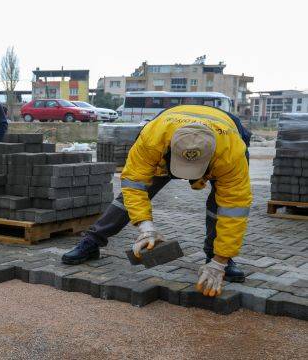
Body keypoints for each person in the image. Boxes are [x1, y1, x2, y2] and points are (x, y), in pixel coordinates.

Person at [62, 104, 252, 297]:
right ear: (168, 150)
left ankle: (217, 258)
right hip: (166, 134)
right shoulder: (152, 138)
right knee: (133, 194)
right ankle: (92, 241)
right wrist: (145, 227)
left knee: (221, 208)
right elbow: (133, 184)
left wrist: (220, 260)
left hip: (225, 139)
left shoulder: (232, 155)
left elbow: (235, 209)